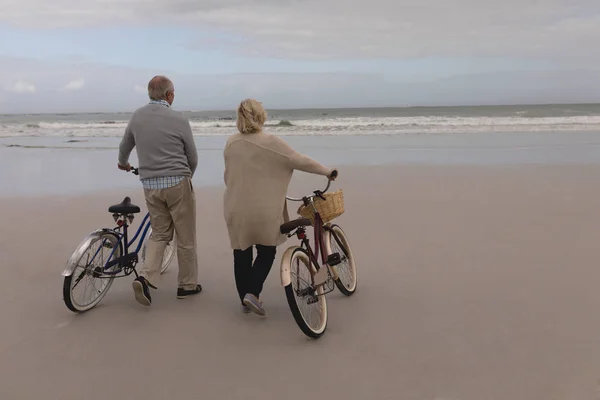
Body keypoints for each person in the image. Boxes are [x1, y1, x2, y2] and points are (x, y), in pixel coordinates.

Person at [223, 99, 337, 316]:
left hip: (234, 206)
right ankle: (252, 293)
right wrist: (326, 171)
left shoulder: (231, 143)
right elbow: (299, 160)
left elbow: (229, 174)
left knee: (241, 251)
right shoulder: (271, 142)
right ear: (260, 116)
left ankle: (245, 298)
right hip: (263, 210)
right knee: (267, 251)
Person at [117, 75, 202, 306]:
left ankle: (145, 277)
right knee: (185, 236)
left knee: (160, 233)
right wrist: (186, 178)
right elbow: (192, 158)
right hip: (177, 183)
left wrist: (123, 162)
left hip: (150, 185)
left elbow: (125, 145)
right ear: (169, 95)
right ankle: (187, 285)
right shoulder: (179, 120)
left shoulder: (137, 116)